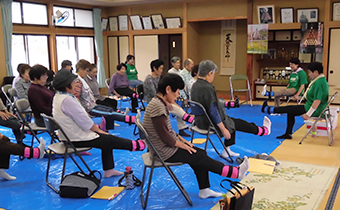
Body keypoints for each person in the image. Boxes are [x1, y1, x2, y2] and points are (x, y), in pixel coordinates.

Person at [142, 73, 249, 199]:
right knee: (198, 156)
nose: (178, 95)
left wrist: (183, 141)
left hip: (163, 146)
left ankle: (204, 190)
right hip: (163, 151)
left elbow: (168, 131)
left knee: (199, 153)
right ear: (168, 89)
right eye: (176, 92)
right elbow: (165, 136)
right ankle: (235, 173)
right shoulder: (157, 107)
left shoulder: (159, 103)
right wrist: (182, 144)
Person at [52, 70, 146, 177]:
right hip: (75, 139)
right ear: (67, 85)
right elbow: (84, 121)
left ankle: (109, 170)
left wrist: (96, 129)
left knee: (106, 139)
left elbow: (79, 119)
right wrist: (98, 130)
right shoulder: (67, 100)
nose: (75, 84)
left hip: (68, 137)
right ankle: (138, 145)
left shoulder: (58, 97)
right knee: (109, 139)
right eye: (73, 82)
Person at [191, 60, 271, 158]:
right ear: (210, 73)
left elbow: (212, 103)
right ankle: (262, 131)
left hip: (199, 121)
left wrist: (229, 104)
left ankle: (227, 149)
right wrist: (223, 129)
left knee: (232, 122)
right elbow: (213, 111)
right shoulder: (207, 88)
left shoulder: (195, 85)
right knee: (235, 124)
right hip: (209, 123)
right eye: (214, 74)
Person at [262, 62, 329, 139]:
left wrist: (308, 114)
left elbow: (317, 101)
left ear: (316, 72)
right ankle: (288, 133)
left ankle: (269, 110)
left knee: (289, 109)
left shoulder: (319, 83)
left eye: (310, 72)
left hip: (315, 109)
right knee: (291, 111)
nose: (309, 75)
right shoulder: (320, 80)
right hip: (311, 106)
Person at [73, 60, 135, 129]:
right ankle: (131, 119)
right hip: (89, 108)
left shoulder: (82, 79)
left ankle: (110, 127)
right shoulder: (78, 81)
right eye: (86, 71)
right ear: (81, 69)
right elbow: (75, 98)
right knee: (109, 113)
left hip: (92, 104)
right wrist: (83, 111)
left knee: (110, 110)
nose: (87, 73)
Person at [143, 59, 194, 136]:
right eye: (160, 68)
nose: (161, 70)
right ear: (154, 68)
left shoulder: (159, 78)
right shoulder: (149, 79)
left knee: (177, 107)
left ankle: (182, 127)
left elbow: (164, 93)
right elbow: (155, 95)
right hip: (154, 102)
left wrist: (170, 102)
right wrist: (166, 103)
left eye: (162, 68)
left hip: (162, 99)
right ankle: (191, 121)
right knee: (176, 109)